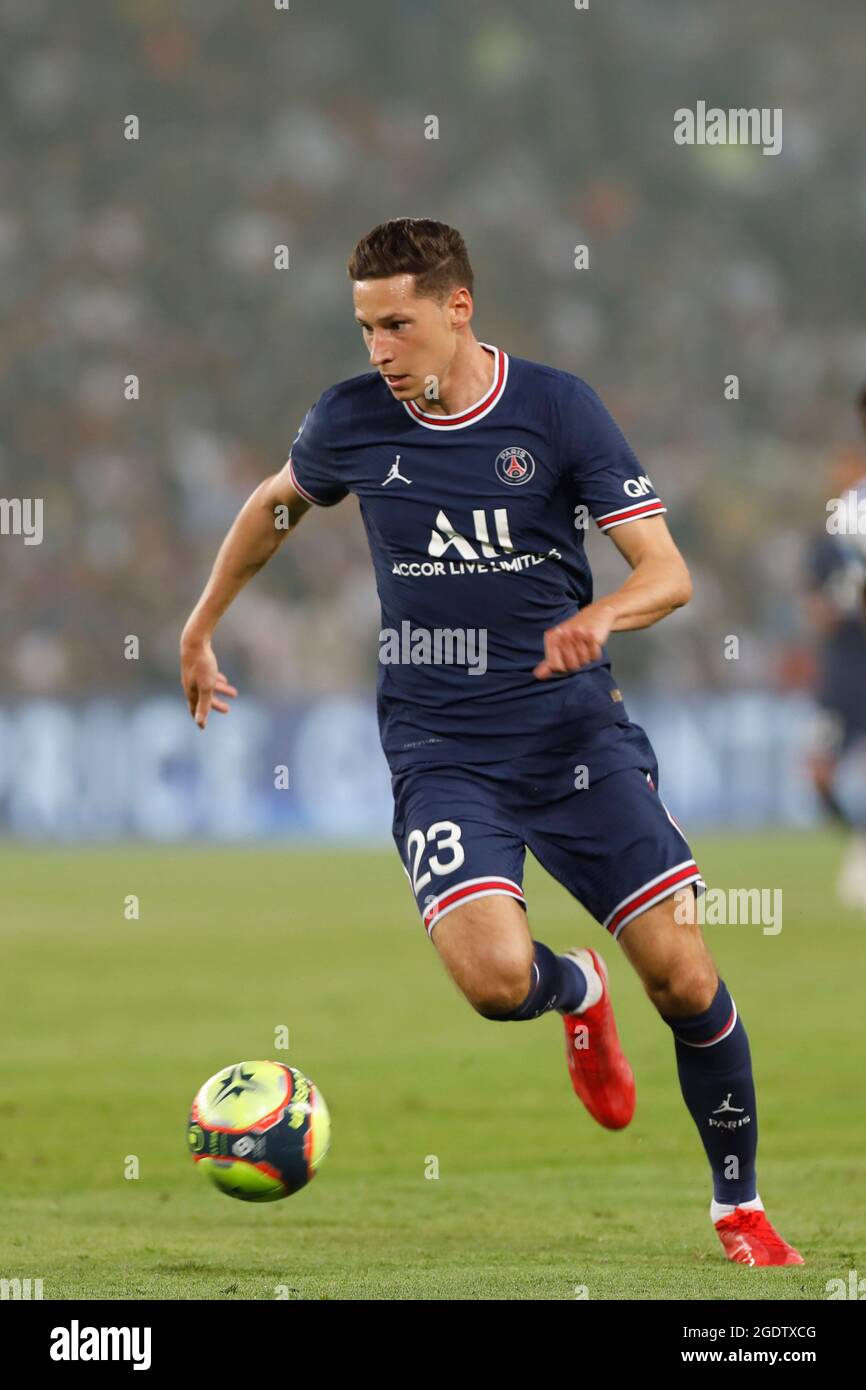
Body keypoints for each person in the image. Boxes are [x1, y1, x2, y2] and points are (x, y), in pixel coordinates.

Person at [180, 217, 802, 1266]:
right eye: (366, 327)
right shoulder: (349, 420)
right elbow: (277, 504)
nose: (379, 349)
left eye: (397, 324)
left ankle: (736, 1206)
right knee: (492, 983)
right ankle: (577, 992)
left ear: (457, 308)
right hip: (441, 749)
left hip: (573, 739)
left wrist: (603, 617)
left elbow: (666, 571)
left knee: (685, 978)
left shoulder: (556, 409)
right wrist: (200, 625)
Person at [804, 418, 866, 909]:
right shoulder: (827, 543)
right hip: (842, 672)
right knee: (819, 772)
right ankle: (856, 837)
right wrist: (842, 604)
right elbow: (817, 612)